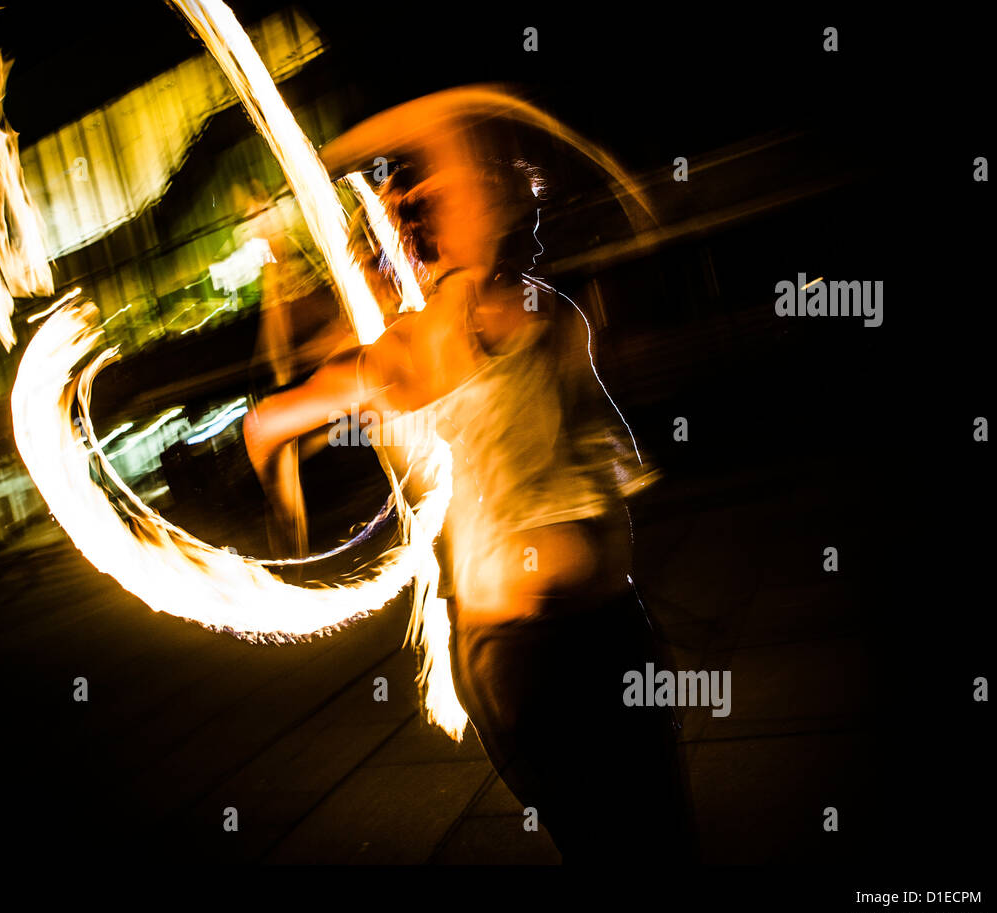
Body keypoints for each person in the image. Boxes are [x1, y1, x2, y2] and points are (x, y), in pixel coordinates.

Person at [243, 111, 695, 861]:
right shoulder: (425, 345)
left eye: (524, 192)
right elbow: (271, 422)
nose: (529, 208)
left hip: (612, 629)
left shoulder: (551, 315)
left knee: (661, 839)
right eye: (505, 195)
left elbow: (599, 465)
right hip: (530, 663)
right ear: (460, 223)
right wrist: (284, 504)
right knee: (618, 848)